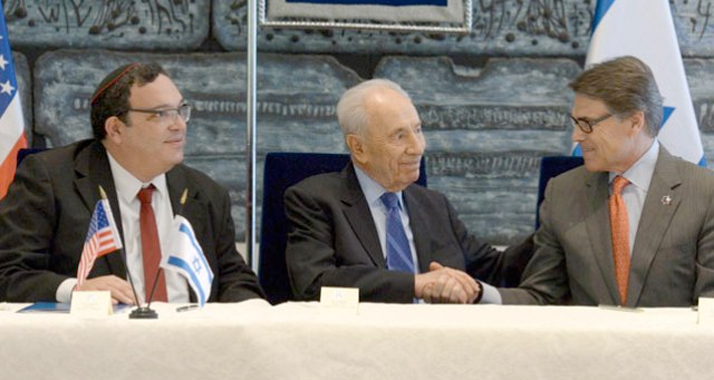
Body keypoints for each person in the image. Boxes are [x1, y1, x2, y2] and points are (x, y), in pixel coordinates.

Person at [0, 62, 265, 304]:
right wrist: (75, 290)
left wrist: (253, 309)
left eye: (181, 111)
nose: (179, 125)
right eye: (161, 114)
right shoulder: (51, 179)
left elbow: (233, 278)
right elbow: (8, 275)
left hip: (190, 344)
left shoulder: (203, 192)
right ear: (115, 129)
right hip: (94, 345)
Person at [285, 78, 533, 304]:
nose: (418, 148)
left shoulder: (434, 206)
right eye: (400, 136)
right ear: (358, 147)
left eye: (418, 130)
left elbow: (496, 270)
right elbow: (315, 285)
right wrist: (415, 284)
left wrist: (556, 228)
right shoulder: (316, 200)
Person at [498, 56, 714, 307]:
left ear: (634, 121)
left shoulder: (705, 194)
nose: (576, 136)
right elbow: (542, 297)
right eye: (576, 123)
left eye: (587, 124)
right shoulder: (563, 193)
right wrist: (480, 294)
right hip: (587, 346)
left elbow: (710, 305)